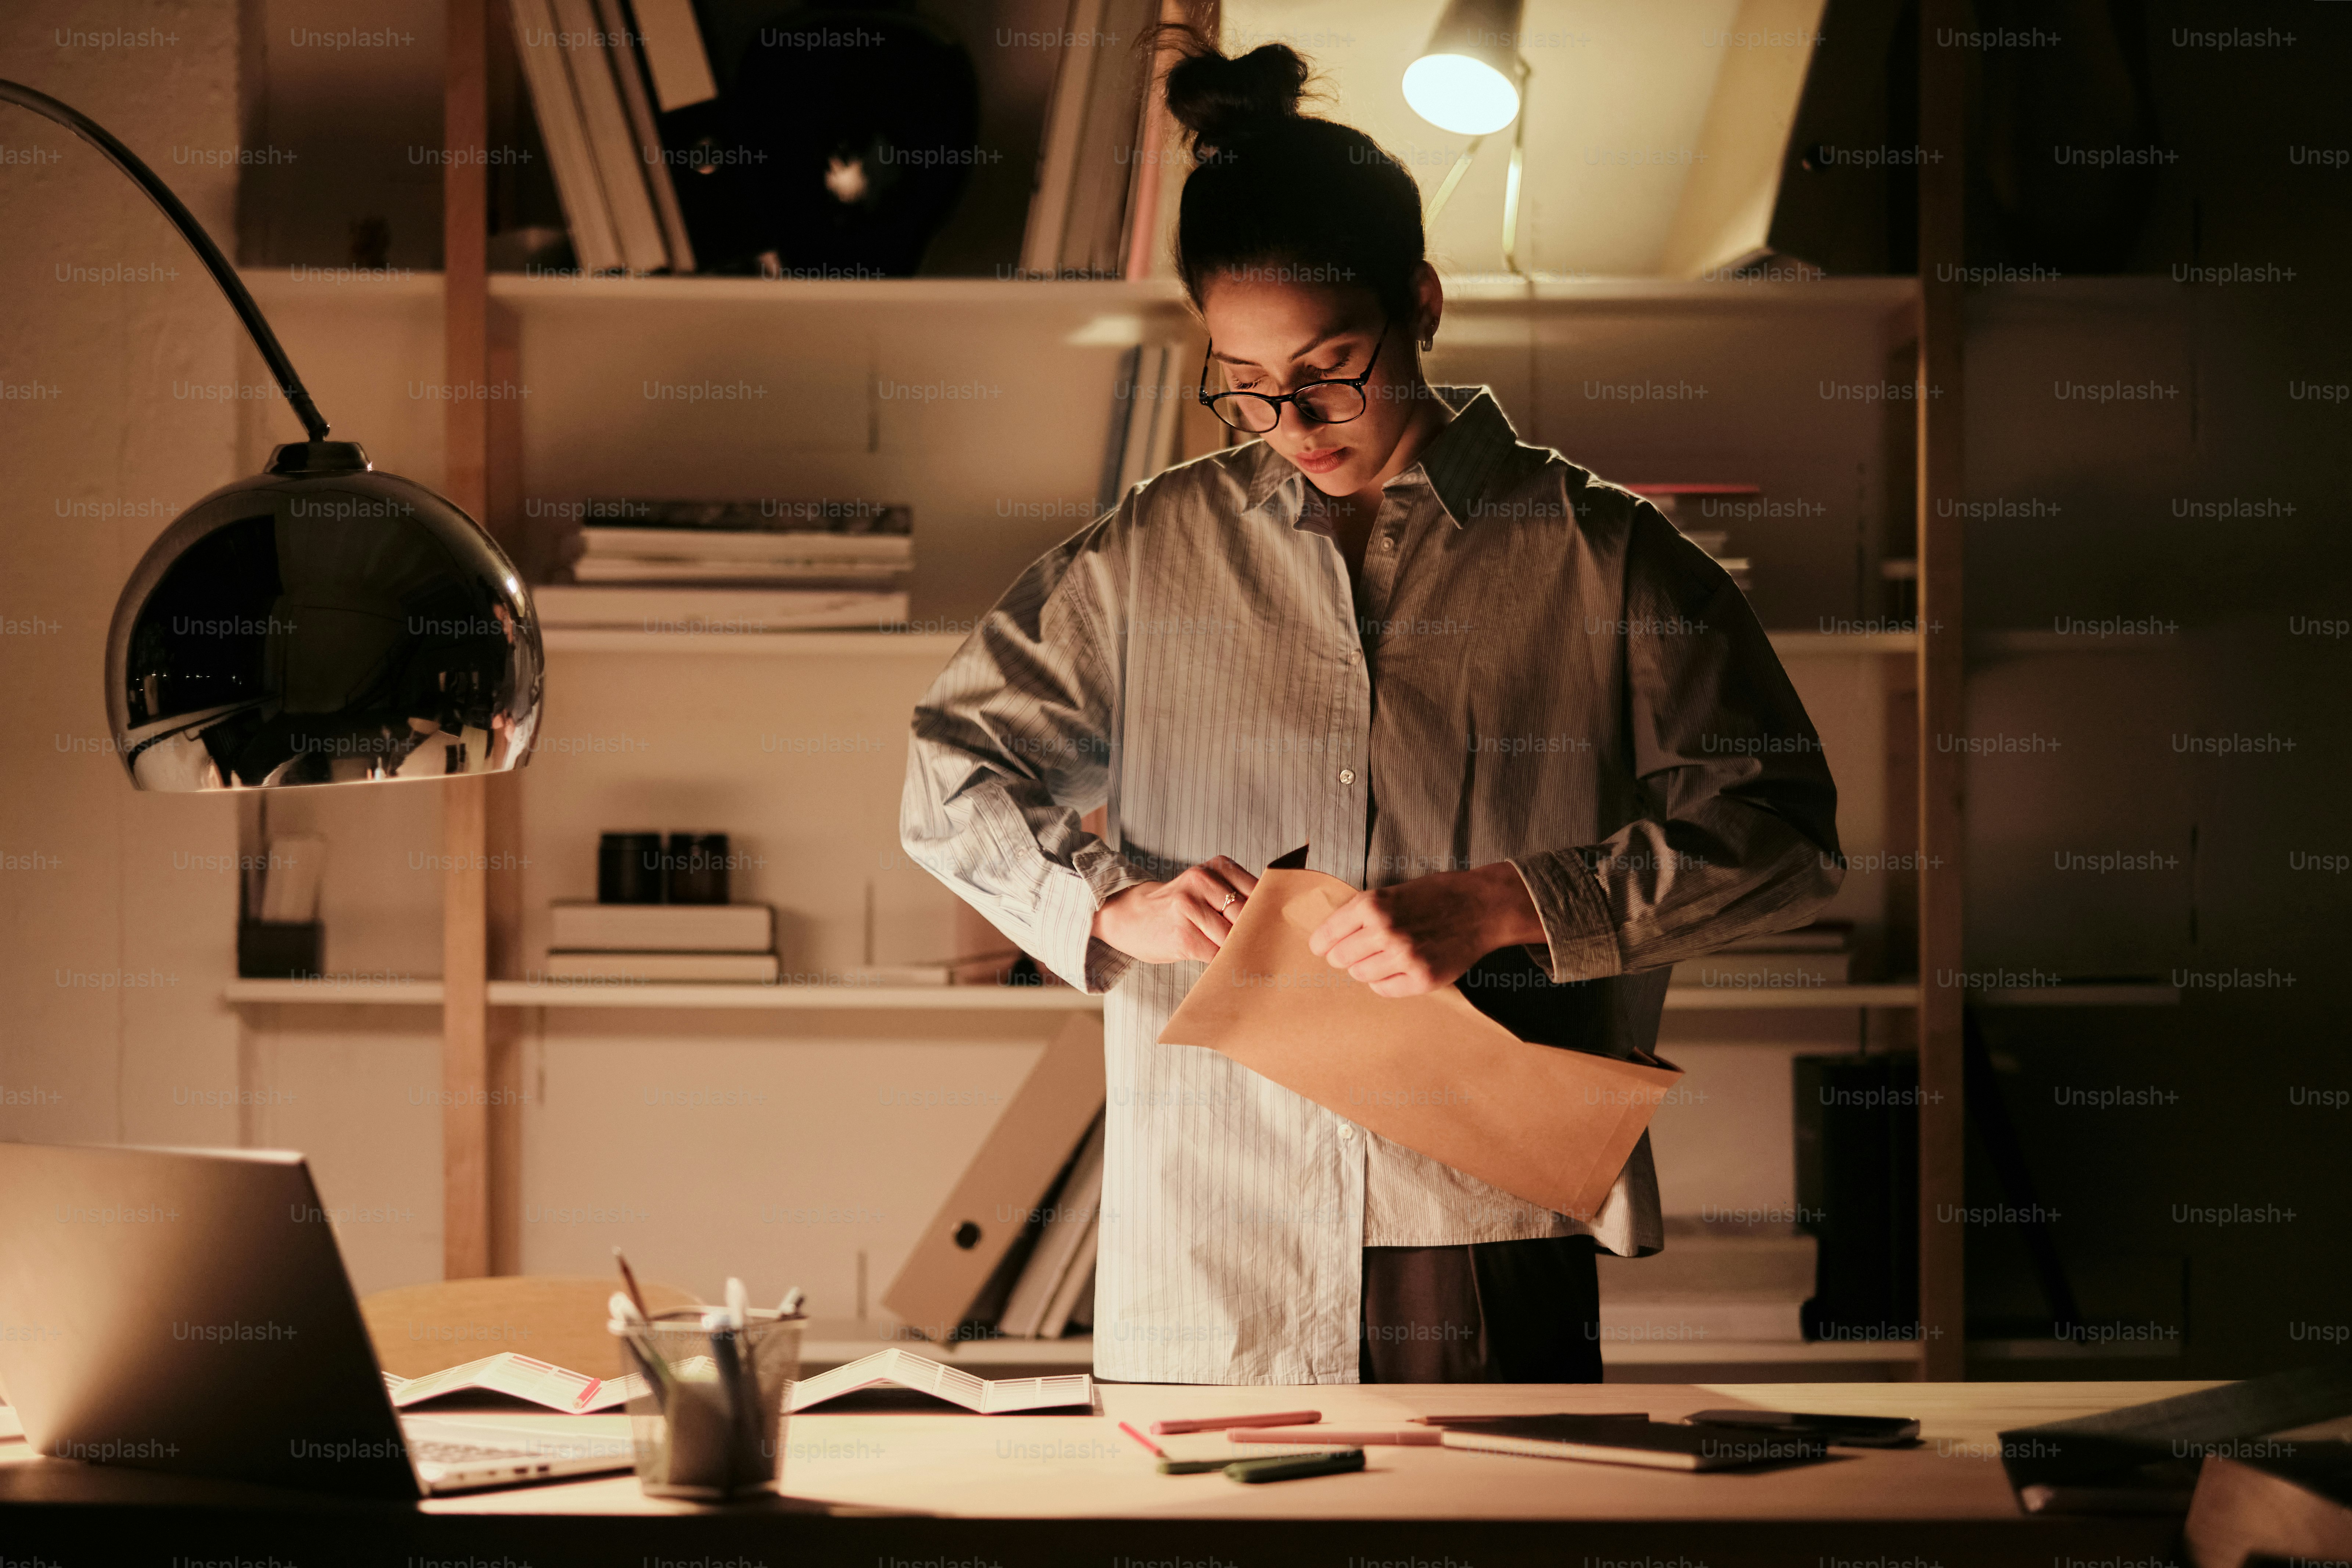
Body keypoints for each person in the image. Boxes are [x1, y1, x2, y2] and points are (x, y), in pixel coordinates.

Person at [901, 37, 1843, 1384]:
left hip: (1475, 1214)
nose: (1289, 415)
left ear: (1422, 301)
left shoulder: (1606, 559)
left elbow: (1782, 831)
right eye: (1242, 378)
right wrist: (1111, 907)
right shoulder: (1148, 555)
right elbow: (950, 764)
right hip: (1210, 1220)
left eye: (1331, 365)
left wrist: (1513, 902)